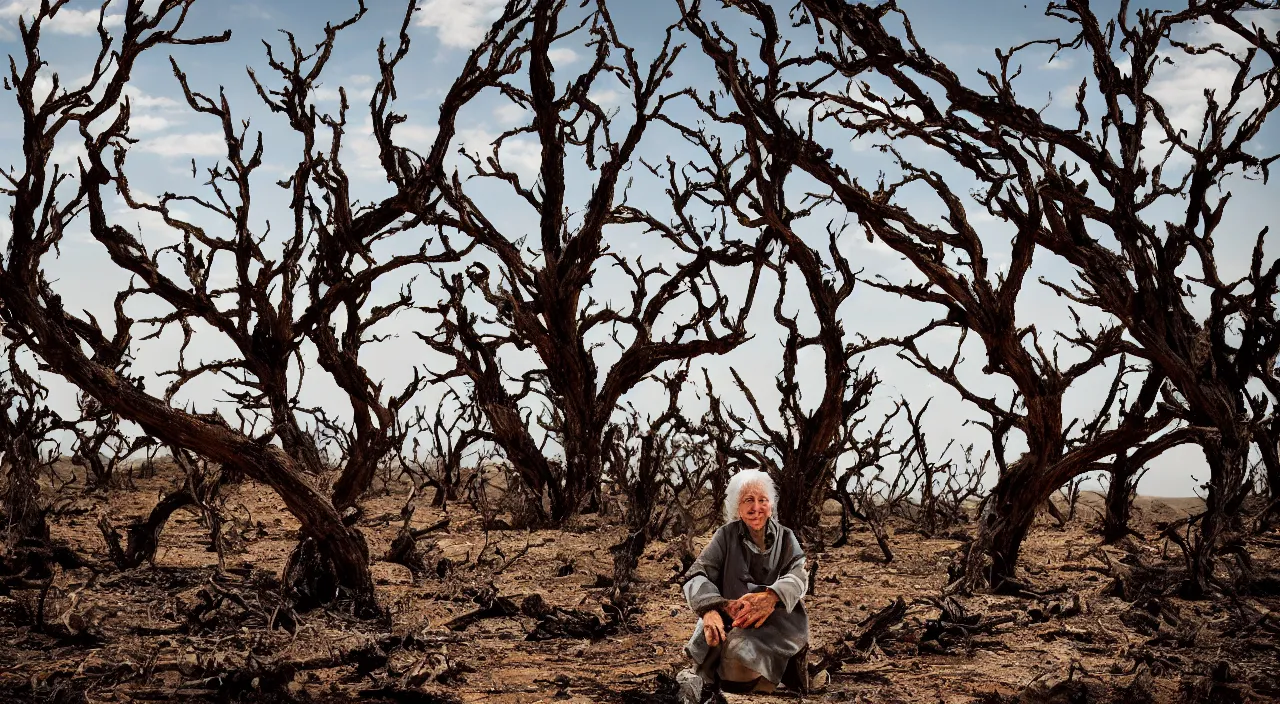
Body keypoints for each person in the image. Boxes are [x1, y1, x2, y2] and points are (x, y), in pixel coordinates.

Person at [676, 469, 826, 703]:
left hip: (776, 624)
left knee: (738, 656)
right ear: (737, 507)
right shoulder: (725, 536)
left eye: (762, 500)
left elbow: (799, 574)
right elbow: (696, 574)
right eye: (748, 500)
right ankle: (772, 672)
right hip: (730, 619)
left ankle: (785, 668)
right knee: (723, 654)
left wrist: (771, 596)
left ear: (771, 506)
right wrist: (710, 610)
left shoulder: (786, 537)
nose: (756, 508)